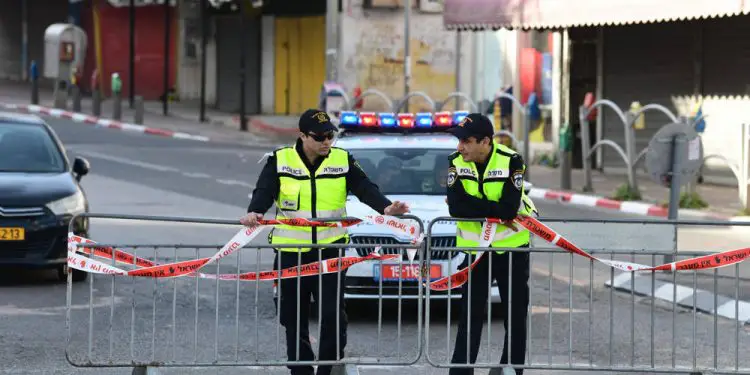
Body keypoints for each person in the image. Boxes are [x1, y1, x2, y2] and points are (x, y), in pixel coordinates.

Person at [239, 109, 410, 375]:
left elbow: (364, 187)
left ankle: (328, 369)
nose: (326, 142)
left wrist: (386, 208)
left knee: (331, 315)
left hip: (331, 252)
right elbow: (265, 189)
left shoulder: (341, 159)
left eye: (330, 135)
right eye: (319, 137)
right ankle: (301, 369)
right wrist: (255, 211)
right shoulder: (281, 159)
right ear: (302, 136)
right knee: (293, 316)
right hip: (291, 252)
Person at [444, 113, 538, 375]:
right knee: (470, 316)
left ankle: (511, 369)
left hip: (511, 250)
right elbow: (456, 208)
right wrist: (493, 211)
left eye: (466, 141)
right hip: (475, 252)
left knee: (515, 317)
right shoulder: (455, 162)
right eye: (459, 140)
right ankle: (461, 371)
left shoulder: (512, 161)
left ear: (485, 141)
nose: (460, 146)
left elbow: (509, 208)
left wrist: (483, 209)